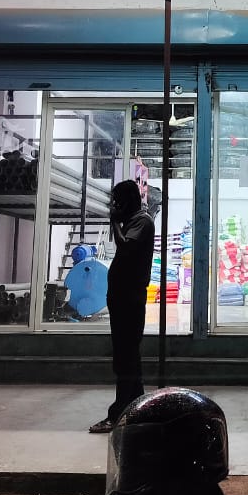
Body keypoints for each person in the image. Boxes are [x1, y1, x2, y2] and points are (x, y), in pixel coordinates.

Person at [89, 179, 155, 433]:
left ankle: (117, 414)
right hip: (122, 297)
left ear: (129, 201)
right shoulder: (134, 221)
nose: (115, 206)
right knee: (128, 356)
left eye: (118, 201)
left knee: (126, 356)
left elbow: (126, 247)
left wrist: (114, 222)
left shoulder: (141, 222)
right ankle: (138, 407)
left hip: (129, 298)